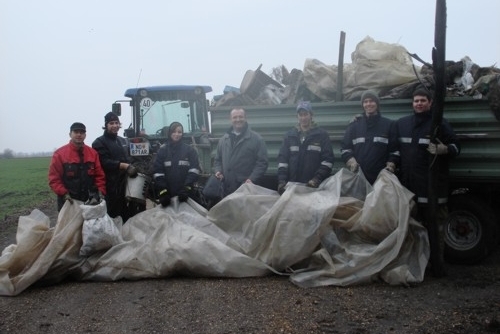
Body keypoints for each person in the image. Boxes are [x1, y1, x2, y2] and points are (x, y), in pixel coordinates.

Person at [395, 88, 460, 275]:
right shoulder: (404, 124)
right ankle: (415, 263)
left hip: (433, 189)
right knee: (412, 227)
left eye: (423, 100)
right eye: (416, 101)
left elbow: (456, 146)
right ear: (412, 103)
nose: (419, 104)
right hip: (410, 187)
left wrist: (445, 149)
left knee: (435, 228)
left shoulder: (439, 124)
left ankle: (437, 265)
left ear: (430, 103)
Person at [340, 90, 399, 184]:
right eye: (365, 101)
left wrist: (391, 165)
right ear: (362, 105)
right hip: (359, 178)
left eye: (372, 101)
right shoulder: (354, 126)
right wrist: (351, 163)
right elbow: (345, 149)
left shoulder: (389, 125)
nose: (368, 104)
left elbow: (395, 151)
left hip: (381, 179)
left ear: (377, 104)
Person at [277, 101, 334, 194]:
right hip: (292, 187)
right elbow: (283, 161)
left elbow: (328, 161)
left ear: (311, 115)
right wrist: (282, 181)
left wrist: (316, 179)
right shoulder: (290, 136)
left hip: (313, 188)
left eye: (306, 114)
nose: (303, 118)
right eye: (301, 115)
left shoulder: (322, 135)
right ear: (297, 117)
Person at [92, 112, 139, 222]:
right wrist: (123, 165)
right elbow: (104, 162)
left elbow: (130, 158)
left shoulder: (123, 141)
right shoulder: (99, 142)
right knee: (113, 214)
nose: (114, 125)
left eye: (116, 123)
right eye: (111, 123)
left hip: (126, 184)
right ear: (106, 125)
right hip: (111, 185)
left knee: (128, 213)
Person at [48, 122, 106, 211]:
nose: (79, 134)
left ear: (85, 135)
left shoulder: (93, 153)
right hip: (68, 202)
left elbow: (99, 175)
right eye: (76, 132)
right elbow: (54, 179)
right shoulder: (59, 154)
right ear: (70, 134)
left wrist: (100, 191)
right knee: (68, 225)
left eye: (82, 132)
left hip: (90, 202)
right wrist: (64, 194)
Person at [214, 107, 268, 197]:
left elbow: (262, 163)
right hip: (226, 189)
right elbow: (217, 160)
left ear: (245, 118)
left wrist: (252, 179)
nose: (238, 120)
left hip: (247, 189)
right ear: (230, 119)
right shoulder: (223, 140)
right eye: (235, 117)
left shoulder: (256, 139)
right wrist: (218, 171)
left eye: (241, 117)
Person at [153, 122, 201, 207]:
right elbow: (158, 173)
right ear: (170, 133)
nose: (177, 134)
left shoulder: (190, 150)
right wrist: (163, 193)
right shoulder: (162, 151)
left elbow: (194, 171)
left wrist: (186, 189)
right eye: (174, 132)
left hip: (185, 195)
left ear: (182, 134)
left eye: (179, 132)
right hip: (168, 195)